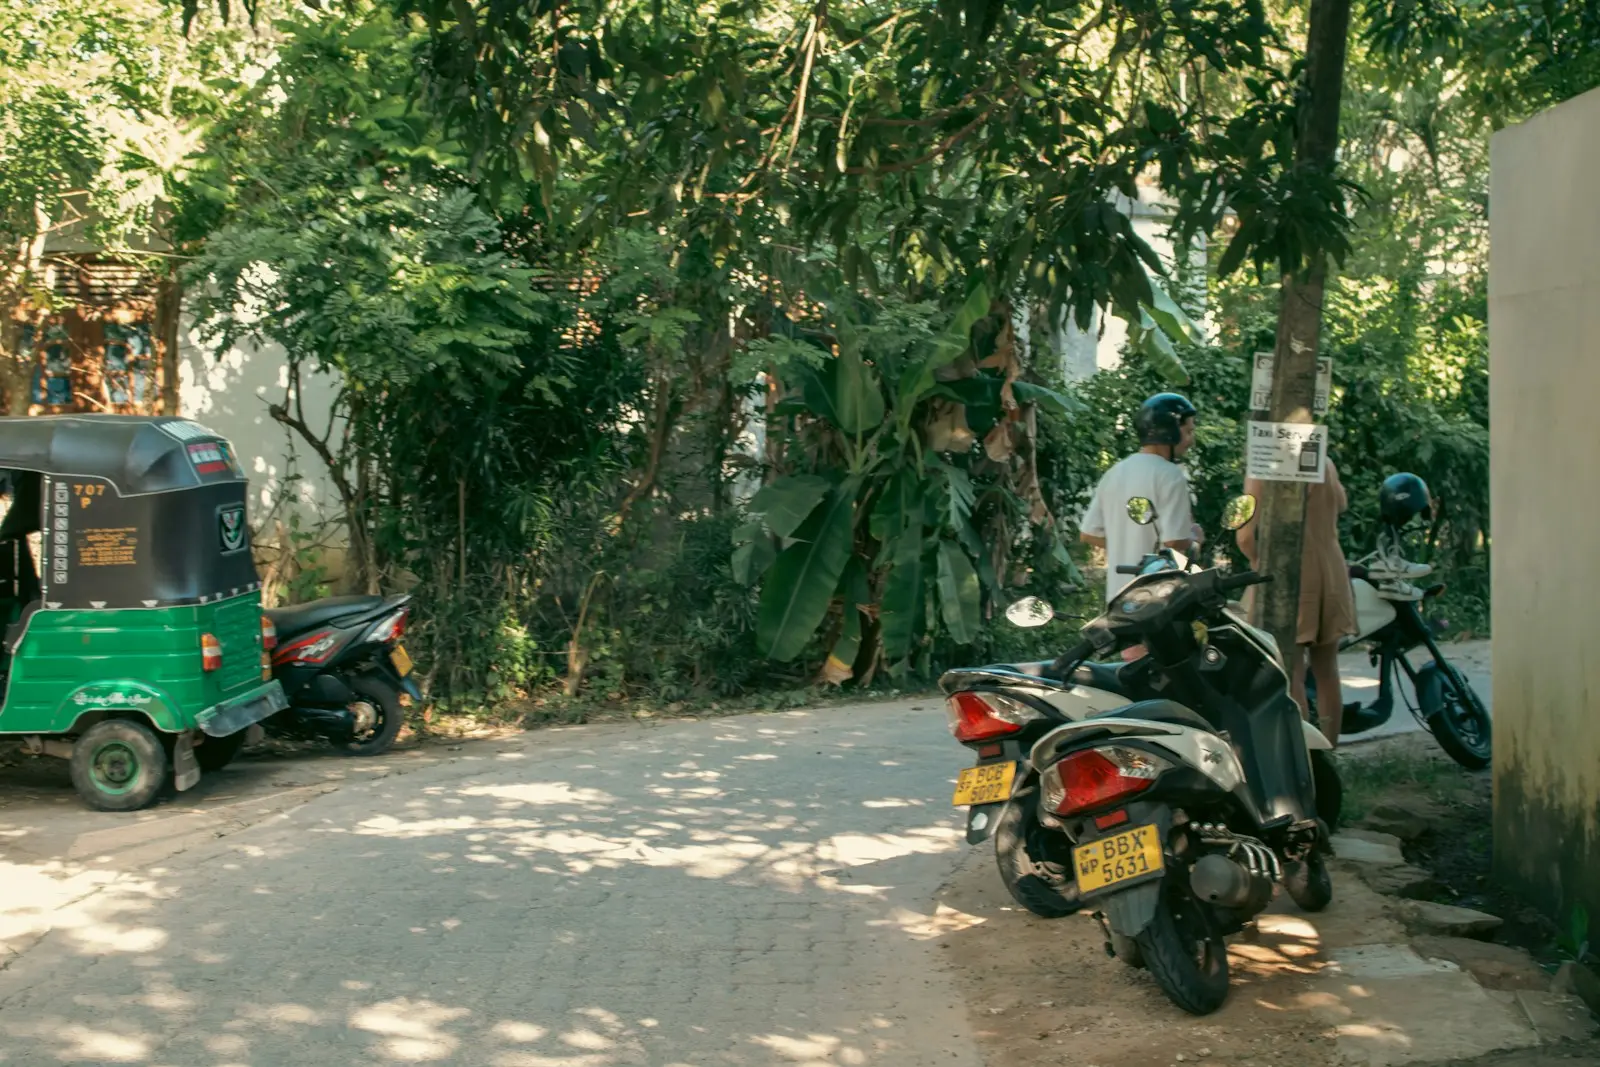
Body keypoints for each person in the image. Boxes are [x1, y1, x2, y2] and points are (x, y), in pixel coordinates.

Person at [1237, 458, 1356, 746]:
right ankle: (1329, 750)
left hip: (1290, 570)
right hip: (1331, 566)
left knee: (1290, 671)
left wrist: (1259, 564)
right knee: (1327, 669)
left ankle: (1305, 759)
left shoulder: (1265, 461)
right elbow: (1341, 502)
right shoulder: (1324, 459)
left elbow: (1244, 535)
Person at [1079, 393, 1202, 606]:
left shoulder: (1115, 472)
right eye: (1188, 431)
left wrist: (1127, 544)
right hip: (1155, 602)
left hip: (1117, 602)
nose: (1191, 440)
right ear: (1169, 431)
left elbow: (1089, 534)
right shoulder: (1170, 475)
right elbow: (1175, 542)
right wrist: (1194, 539)